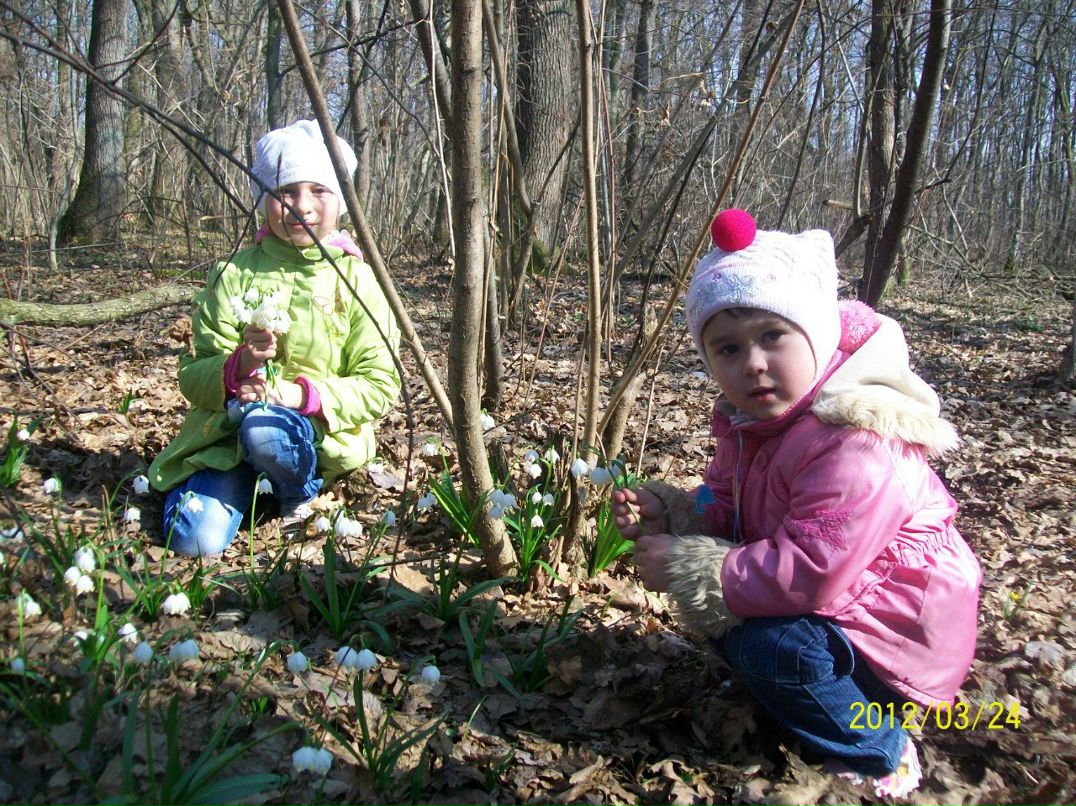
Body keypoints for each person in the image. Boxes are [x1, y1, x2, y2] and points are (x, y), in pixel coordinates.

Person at [613, 209, 981, 798]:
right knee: (744, 631)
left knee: (768, 645)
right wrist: (679, 513)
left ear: (816, 334)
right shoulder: (752, 422)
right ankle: (812, 699)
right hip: (847, 613)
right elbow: (724, 498)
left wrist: (685, 568)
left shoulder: (854, 439)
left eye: (771, 336)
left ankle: (880, 746)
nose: (753, 363)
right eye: (727, 349)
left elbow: (811, 569)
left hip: (897, 643)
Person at [149, 120, 401, 556]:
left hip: (316, 439)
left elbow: (381, 383)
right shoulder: (234, 274)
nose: (301, 206)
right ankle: (247, 485)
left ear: (339, 202)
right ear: (263, 201)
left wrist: (301, 396)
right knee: (192, 539)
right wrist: (237, 369)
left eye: (319, 191)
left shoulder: (359, 280)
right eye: (285, 192)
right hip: (224, 438)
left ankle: (296, 490)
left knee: (266, 430)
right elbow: (191, 374)